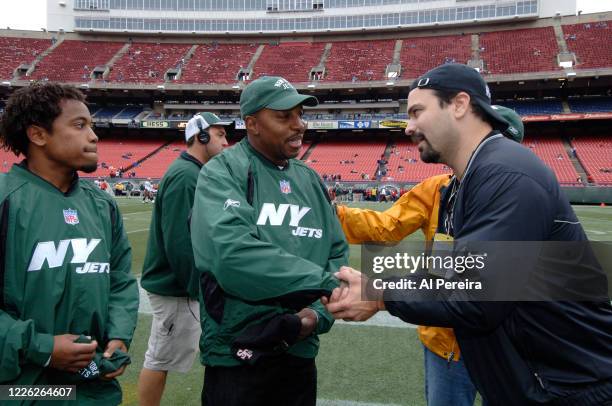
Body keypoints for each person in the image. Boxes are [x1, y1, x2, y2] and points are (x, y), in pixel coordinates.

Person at [325, 64, 612, 405]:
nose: (409, 127)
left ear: (460, 105)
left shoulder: (505, 173)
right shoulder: (464, 183)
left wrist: (378, 292)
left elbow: (476, 293)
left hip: (568, 386)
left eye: (417, 111)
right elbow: (451, 273)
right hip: (539, 377)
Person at [335, 105, 524, 406]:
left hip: (509, 343)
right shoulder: (437, 190)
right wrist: (334, 215)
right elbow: (386, 226)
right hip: (446, 340)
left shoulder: (526, 196)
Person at [190, 76, 348, 406]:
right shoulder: (222, 172)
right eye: (284, 116)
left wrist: (318, 315)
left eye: (300, 115)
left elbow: (336, 251)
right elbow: (231, 255)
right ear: (252, 124)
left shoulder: (309, 178)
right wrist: (323, 285)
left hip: (301, 352)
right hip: (239, 354)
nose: (299, 125)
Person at [0, 83, 139, 405]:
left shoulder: (103, 204)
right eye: (80, 125)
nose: (94, 136)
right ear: (38, 135)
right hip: (22, 390)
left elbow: (119, 280)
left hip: (94, 389)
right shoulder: (6, 200)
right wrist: (41, 347)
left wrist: (118, 335)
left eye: (92, 125)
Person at [138, 112, 231, 406]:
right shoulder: (185, 176)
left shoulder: (193, 172)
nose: (226, 142)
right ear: (201, 137)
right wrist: (201, 290)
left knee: (166, 355)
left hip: (183, 286)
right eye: (220, 135)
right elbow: (180, 244)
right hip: (176, 287)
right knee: (160, 357)